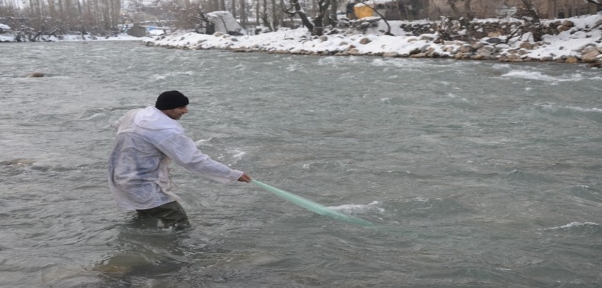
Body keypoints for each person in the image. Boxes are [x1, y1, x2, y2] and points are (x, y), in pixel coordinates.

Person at [108, 90, 251, 230]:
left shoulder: (135, 114)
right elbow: (194, 160)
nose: (186, 111)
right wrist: (232, 174)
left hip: (120, 175)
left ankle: (140, 247)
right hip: (142, 183)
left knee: (147, 217)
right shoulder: (166, 131)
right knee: (178, 221)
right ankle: (180, 252)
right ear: (167, 108)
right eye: (181, 107)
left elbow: (116, 125)